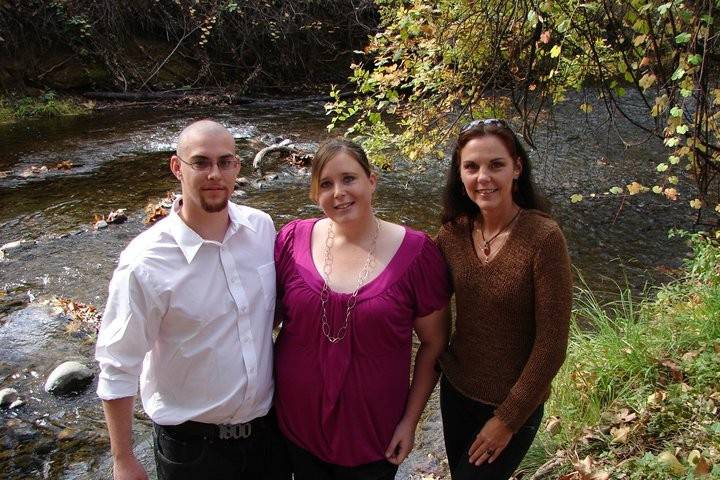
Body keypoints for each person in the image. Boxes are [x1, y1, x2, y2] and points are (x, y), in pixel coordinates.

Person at [95, 120, 284, 480]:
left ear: (237, 168)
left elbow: (266, 314)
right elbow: (118, 364)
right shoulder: (145, 262)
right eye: (201, 162)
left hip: (267, 437)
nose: (215, 174)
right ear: (176, 167)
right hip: (192, 451)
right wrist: (122, 459)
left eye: (225, 162)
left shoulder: (261, 228)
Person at [273, 138, 450, 480]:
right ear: (314, 194)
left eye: (349, 178)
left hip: (373, 434)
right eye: (326, 184)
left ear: (372, 180)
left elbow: (434, 344)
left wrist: (410, 422)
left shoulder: (417, 254)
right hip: (295, 427)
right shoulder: (291, 240)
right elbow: (263, 319)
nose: (338, 192)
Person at [435, 119, 572, 480]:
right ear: (460, 174)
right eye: (472, 166)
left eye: (496, 165)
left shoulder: (543, 238)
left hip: (512, 405)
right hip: (456, 393)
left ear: (517, 168)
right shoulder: (452, 234)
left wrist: (508, 419)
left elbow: (552, 344)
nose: (484, 177)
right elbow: (419, 301)